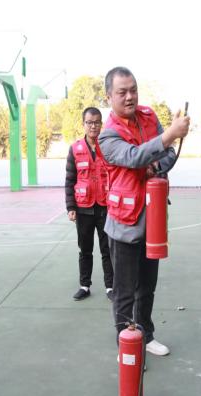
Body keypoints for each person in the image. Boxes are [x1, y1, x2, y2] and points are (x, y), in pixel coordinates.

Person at [97, 67, 190, 356]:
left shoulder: (149, 116)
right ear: (109, 96)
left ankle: (146, 336)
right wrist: (170, 135)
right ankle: (127, 348)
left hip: (153, 219)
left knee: (147, 287)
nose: (130, 97)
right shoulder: (108, 135)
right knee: (125, 293)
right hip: (125, 224)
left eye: (133, 90)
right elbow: (134, 157)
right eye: (122, 92)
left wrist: (157, 163)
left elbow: (169, 153)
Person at [65, 107, 114, 301]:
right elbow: (70, 180)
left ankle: (110, 287)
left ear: (101, 124)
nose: (93, 126)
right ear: (83, 124)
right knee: (85, 250)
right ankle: (84, 285)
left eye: (96, 122)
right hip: (83, 208)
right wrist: (71, 207)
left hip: (105, 207)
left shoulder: (108, 147)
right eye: (89, 122)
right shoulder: (75, 149)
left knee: (107, 249)